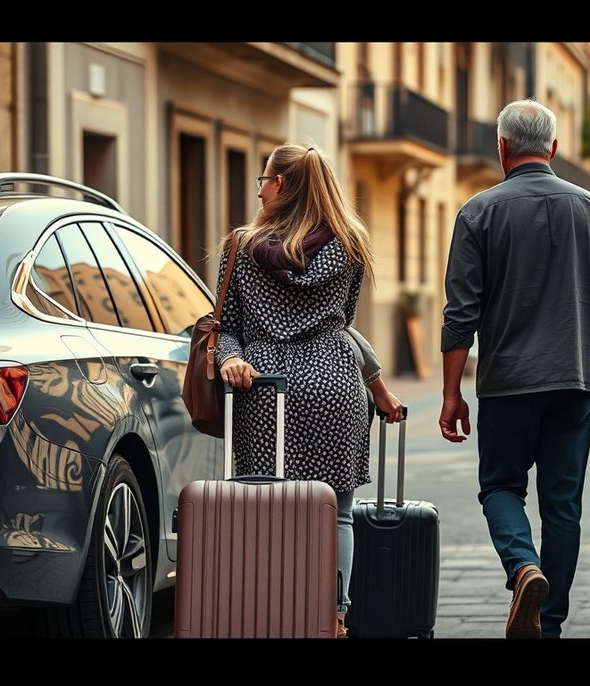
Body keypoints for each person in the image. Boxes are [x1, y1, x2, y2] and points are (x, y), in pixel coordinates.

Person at [438, 98, 590, 639]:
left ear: (501, 148)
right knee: (562, 505)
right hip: (577, 382)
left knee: (500, 488)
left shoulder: (477, 213)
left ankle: (522, 566)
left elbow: (460, 313)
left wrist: (451, 392)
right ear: (553, 147)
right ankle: (548, 626)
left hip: (506, 384)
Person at [213, 142, 403, 639]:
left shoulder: (240, 247)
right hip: (334, 381)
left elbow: (225, 326)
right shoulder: (350, 244)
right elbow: (345, 324)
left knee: (264, 506)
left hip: (263, 387)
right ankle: (334, 615)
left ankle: (271, 609)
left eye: (262, 179)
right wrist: (375, 382)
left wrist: (230, 358)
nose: (258, 189)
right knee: (336, 510)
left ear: (279, 185)